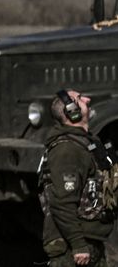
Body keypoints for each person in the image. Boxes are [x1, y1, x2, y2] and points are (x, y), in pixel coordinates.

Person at [39, 89, 117, 266]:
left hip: (91, 240)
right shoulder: (67, 150)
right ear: (71, 111)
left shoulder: (87, 143)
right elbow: (61, 203)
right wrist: (78, 244)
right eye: (80, 99)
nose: (88, 100)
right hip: (73, 248)